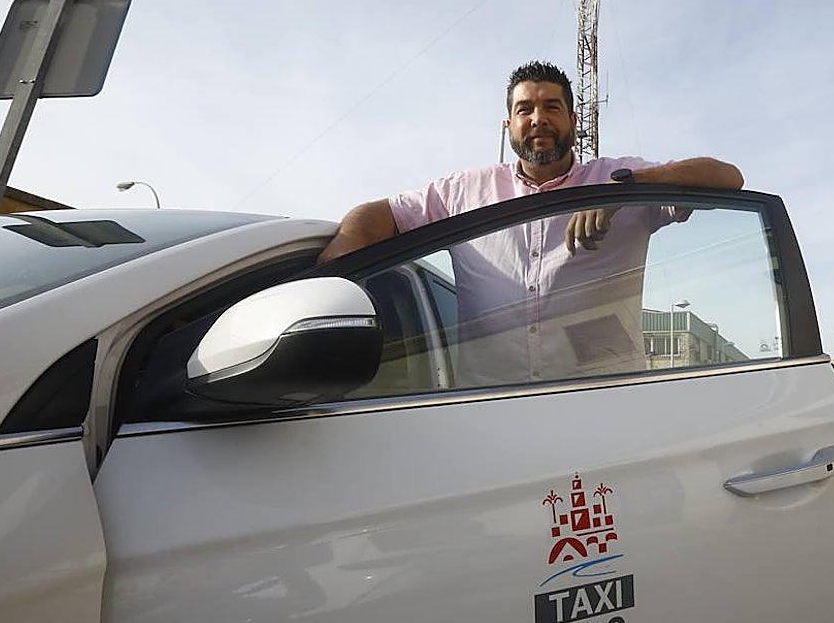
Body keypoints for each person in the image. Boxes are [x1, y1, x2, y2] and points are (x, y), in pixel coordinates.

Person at [318, 60, 744, 385]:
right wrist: (330, 276)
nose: (538, 118)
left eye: (551, 107)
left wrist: (623, 191)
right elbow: (379, 215)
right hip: (491, 414)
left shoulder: (617, 178)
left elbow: (727, 178)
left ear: (574, 121)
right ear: (509, 126)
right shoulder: (463, 192)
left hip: (604, 404)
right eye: (525, 109)